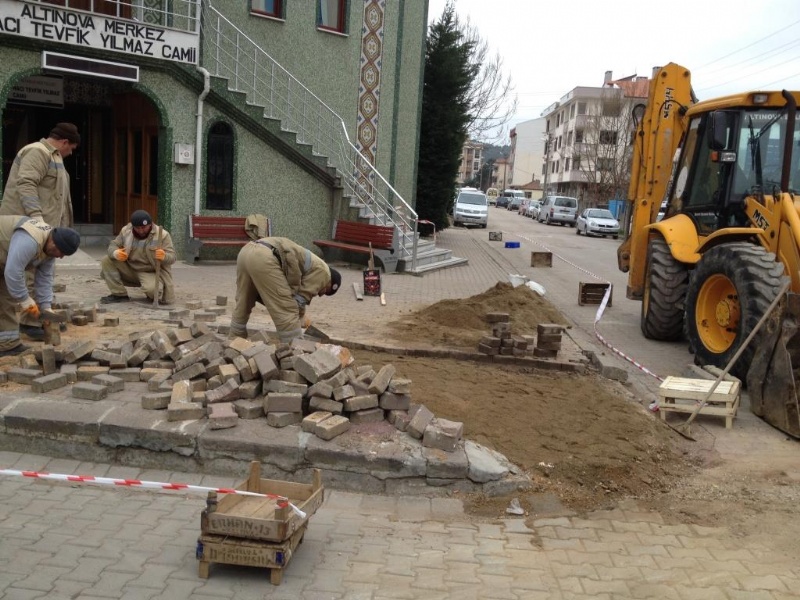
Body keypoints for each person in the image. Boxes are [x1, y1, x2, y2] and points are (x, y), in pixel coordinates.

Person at [230, 237, 341, 343]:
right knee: (287, 309)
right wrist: (300, 317)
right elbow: (298, 300)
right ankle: (294, 351)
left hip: (246, 252)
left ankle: (234, 340)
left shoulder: (313, 263)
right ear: (330, 282)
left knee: (244, 300)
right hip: (265, 257)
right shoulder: (324, 273)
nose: (321, 294)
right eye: (325, 291)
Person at [0, 216, 81, 357]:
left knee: (7, 298)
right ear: (54, 243)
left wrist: (45, 306)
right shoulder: (29, 240)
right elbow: (13, 272)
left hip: (3, 259)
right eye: (61, 253)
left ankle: (9, 345)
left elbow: (44, 279)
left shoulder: (49, 250)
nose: (60, 257)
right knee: (12, 290)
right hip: (7, 261)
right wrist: (25, 299)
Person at [0, 122, 80, 228]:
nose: (71, 153)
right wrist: (37, 218)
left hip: (42, 229)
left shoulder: (54, 157)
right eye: (72, 148)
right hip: (27, 229)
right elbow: (26, 184)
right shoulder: (37, 151)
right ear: (64, 142)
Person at [100, 210, 176, 305]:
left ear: (150, 224)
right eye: (137, 228)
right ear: (133, 226)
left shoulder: (162, 235)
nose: (140, 231)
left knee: (153, 292)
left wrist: (164, 256)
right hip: (130, 269)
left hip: (150, 272)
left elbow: (172, 257)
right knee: (106, 260)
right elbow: (113, 244)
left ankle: (150, 290)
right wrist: (115, 253)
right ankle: (119, 294)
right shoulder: (126, 231)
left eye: (143, 227)